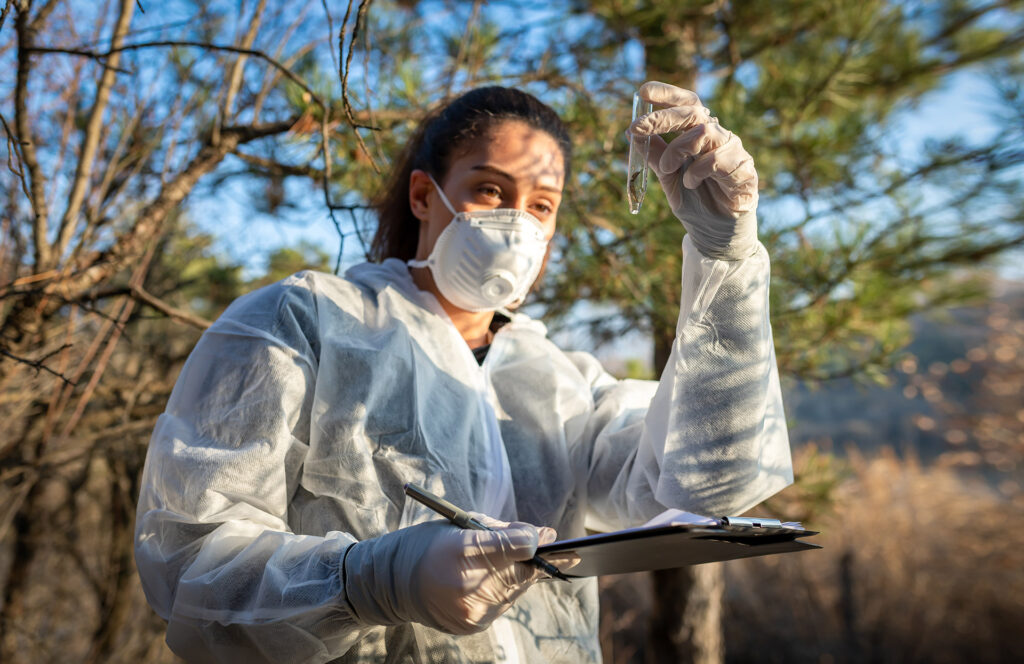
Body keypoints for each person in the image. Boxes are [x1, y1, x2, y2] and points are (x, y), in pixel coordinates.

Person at [134, 81, 793, 663]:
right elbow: (188, 567)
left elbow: (708, 478)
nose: (519, 224)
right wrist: (375, 580)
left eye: (541, 205)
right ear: (425, 195)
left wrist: (725, 254)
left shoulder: (563, 382)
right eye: (489, 190)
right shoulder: (299, 323)